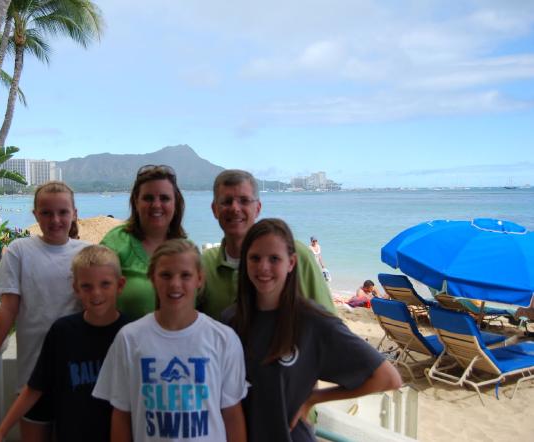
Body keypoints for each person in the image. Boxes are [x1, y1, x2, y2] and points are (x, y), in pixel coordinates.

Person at [228, 219, 402, 441]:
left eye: (274, 258)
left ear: (291, 263)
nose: (263, 267)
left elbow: (387, 378)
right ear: (245, 261)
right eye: (255, 258)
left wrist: (313, 398)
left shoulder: (312, 321)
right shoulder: (230, 321)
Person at [93, 239, 248, 441]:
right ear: (152, 278)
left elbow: (232, 415)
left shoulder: (223, 339)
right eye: (166, 275)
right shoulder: (129, 338)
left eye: (185, 275)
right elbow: (122, 414)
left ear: (199, 279)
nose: (175, 284)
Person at [0, 181, 89, 441]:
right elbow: (7, 311)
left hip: (76, 374)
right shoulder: (19, 251)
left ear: (74, 214)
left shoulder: (86, 254)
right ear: (35, 215)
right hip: (31, 374)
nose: (55, 220)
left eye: (63, 212)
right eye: (46, 213)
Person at [0, 245, 128, 442]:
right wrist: (1, 431)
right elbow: (35, 387)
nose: (96, 293)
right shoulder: (63, 332)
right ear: (76, 289)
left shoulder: (131, 334)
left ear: (120, 285)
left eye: (105, 284)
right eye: (87, 286)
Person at [199, 169, 335, 320]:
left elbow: (329, 322)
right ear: (215, 209)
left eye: (244, 201)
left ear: (257, 208)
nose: (235, 208)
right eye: (226, 201)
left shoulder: (297, 254)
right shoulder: (204, 264)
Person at [100, 164, 186, 319]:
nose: (156, 205)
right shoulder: (116, 242)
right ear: (136, 202)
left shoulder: (186, 248)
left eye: (164, 198)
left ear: (175, 203)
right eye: (148, 198)